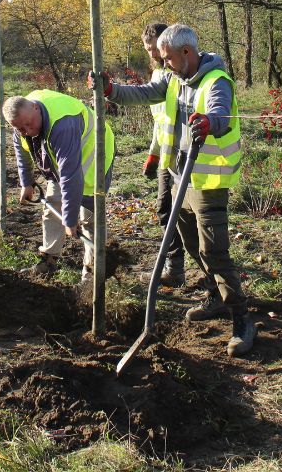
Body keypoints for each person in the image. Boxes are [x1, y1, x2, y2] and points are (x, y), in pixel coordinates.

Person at [89, 23, 256, 356]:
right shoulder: (172, 78)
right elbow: (142, 93)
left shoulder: (216, 81)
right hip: (180, 176)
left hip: (208, 182)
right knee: (192, 245)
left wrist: (210, 122)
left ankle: (242, 319)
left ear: (186, 52)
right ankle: (215, 296)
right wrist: (109, 90)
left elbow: (221, 113)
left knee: (214, 252)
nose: (163, 63)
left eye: (167, 57)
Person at [2, 89, 114, 282]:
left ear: (35, 108)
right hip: (61, 161)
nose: (27, 131)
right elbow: (22, 150)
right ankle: (48, 260)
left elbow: (71, 175)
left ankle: (91, 275)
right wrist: (26, 182)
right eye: (20, 128)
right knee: (53, 205)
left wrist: (70, 219)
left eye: (29, 124)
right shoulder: (22, 118)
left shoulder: (63, 124)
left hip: (94, 156)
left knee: (89, 218)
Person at [141, 22, 186, 287]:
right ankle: (175, 267)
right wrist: (154, 154)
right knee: (164, 210)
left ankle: (180, 268)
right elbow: (161, 121)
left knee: (179, 213)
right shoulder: (158, 75)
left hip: (183, 155)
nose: (152, 53)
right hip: (165, 153)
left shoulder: (178, 75)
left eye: (155, 48)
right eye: (148, 49)